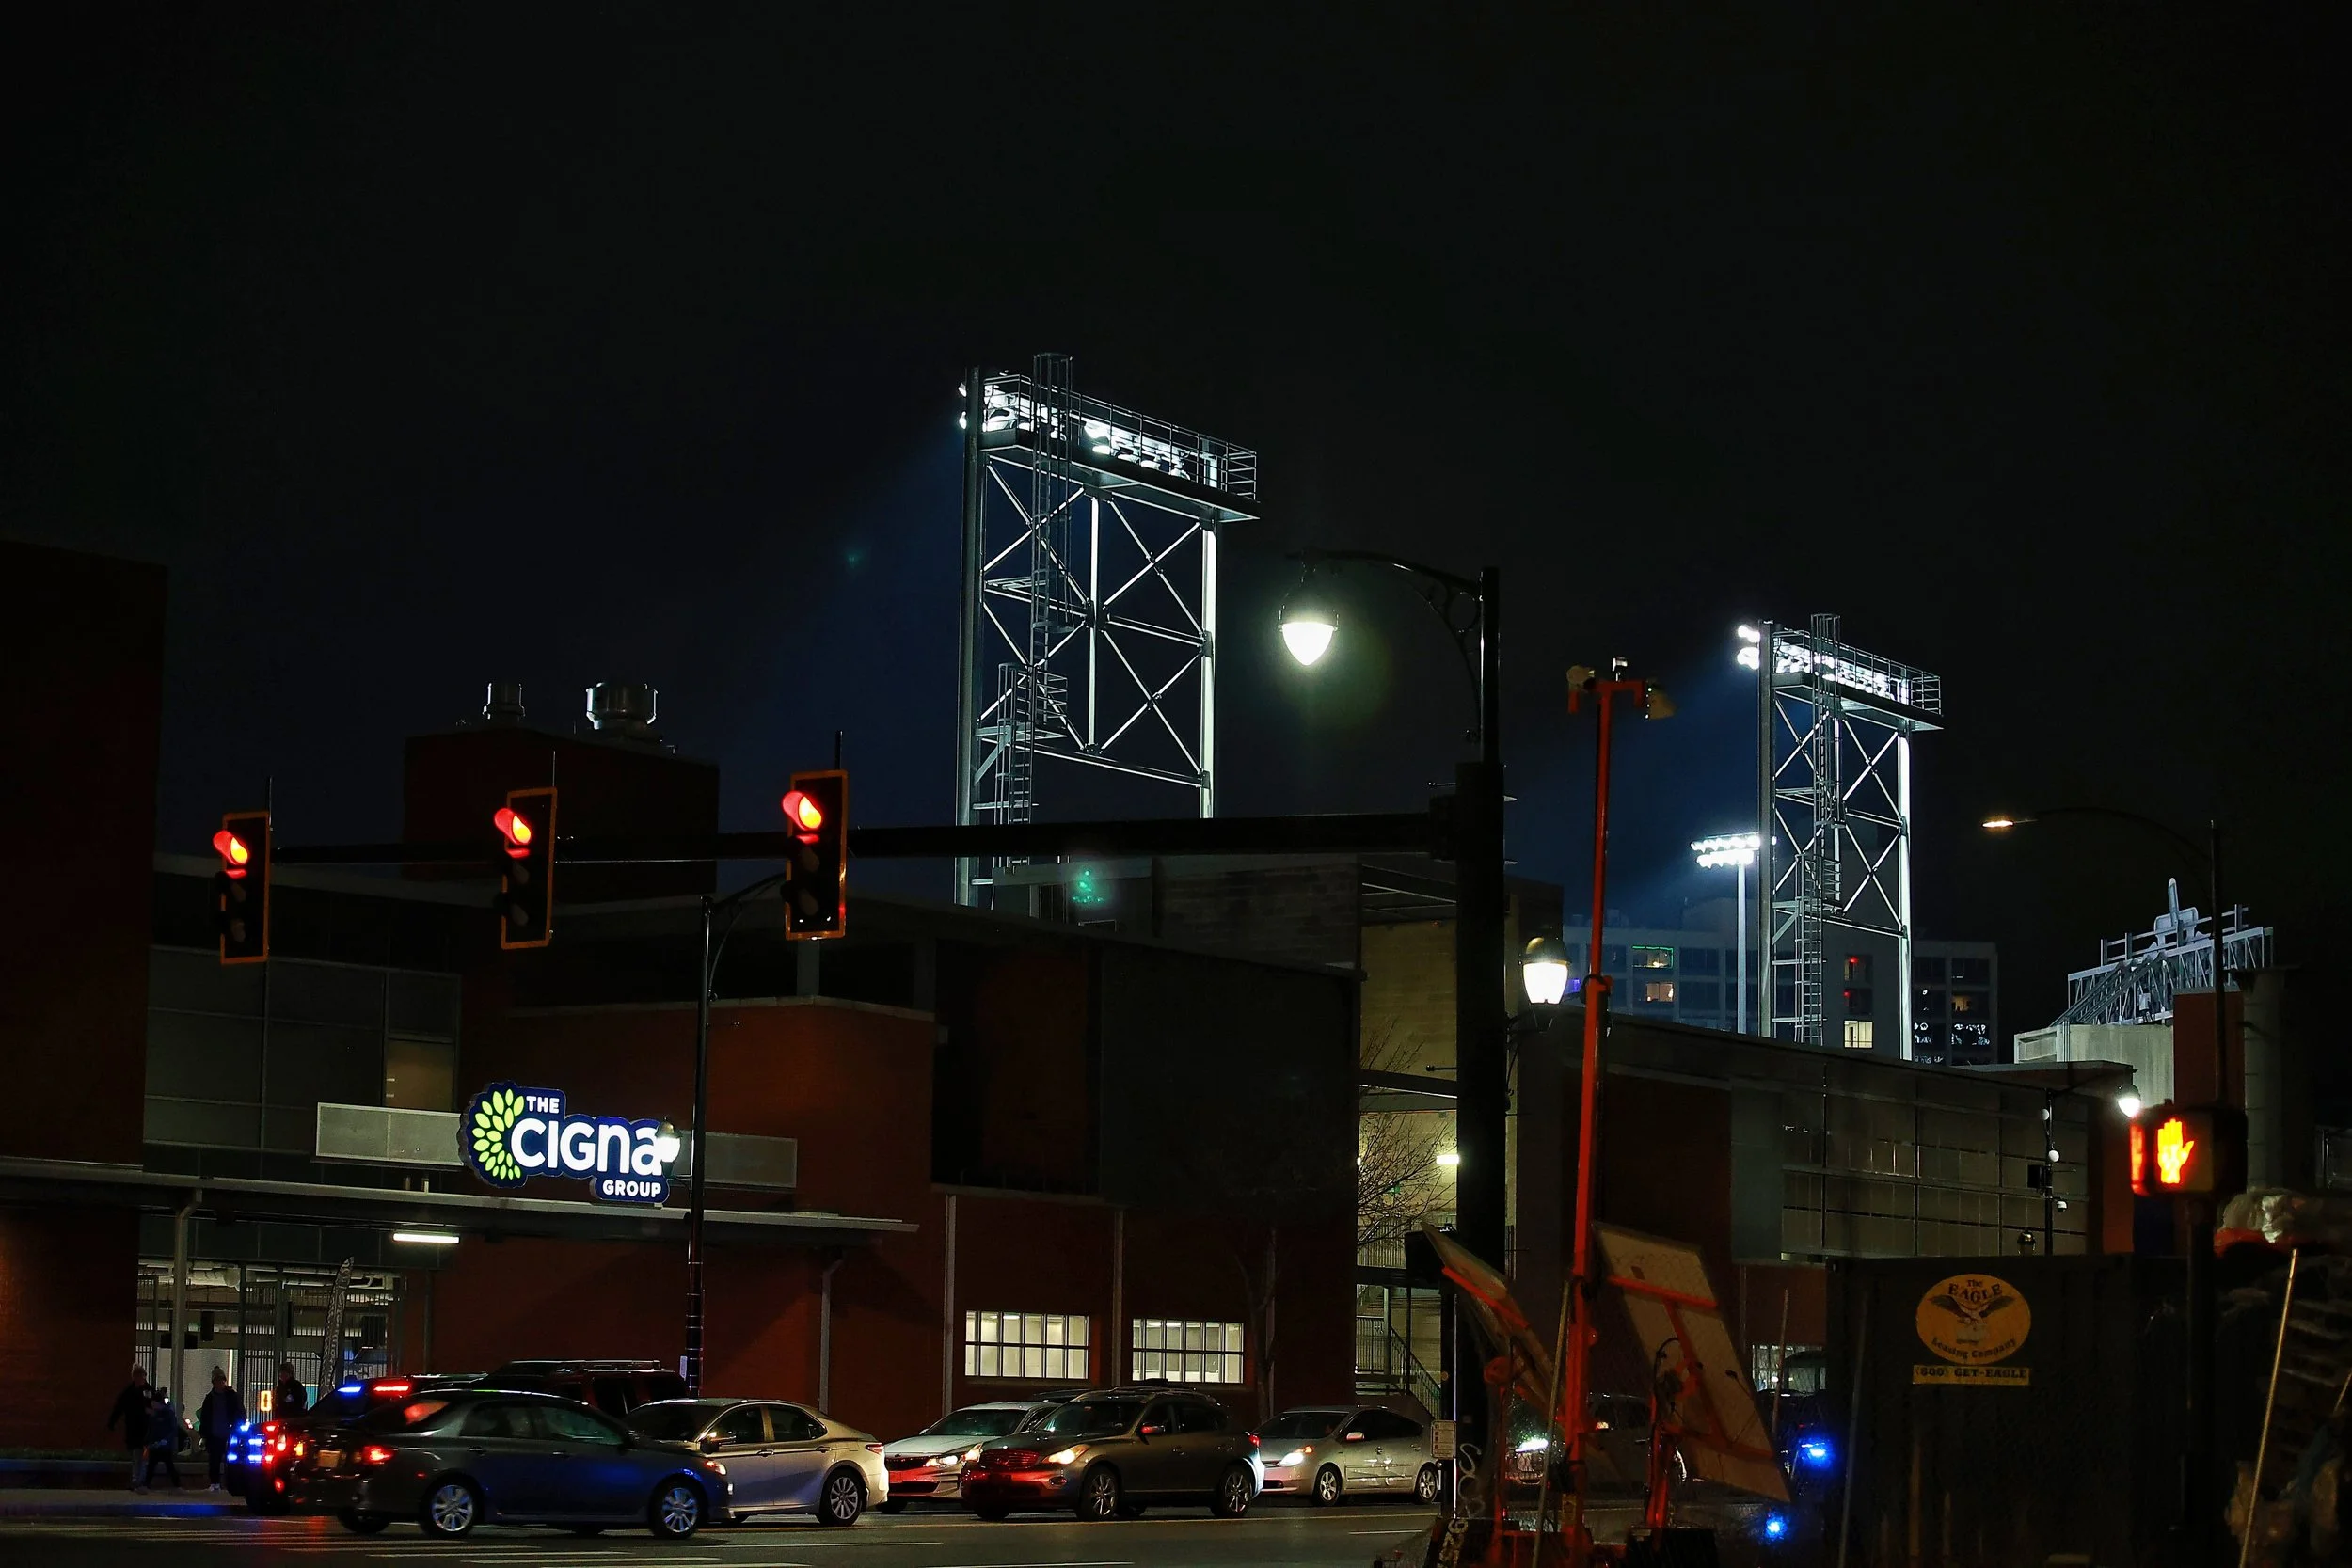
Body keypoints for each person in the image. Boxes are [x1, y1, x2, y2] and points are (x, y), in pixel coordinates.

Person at [197, 1368, 245, 1492]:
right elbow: (205, 1418)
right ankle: (215, 1482)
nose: (219, 1384)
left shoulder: (229, 1397)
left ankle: (229, 1483)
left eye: (221, 1381)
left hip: (228, 1433)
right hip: (216, 1434)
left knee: (229, 1460)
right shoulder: (212, 1398)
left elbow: (240, 1413)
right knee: (215, 1460)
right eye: (217, 1381)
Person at [105, 1365, 151, 1492]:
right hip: (134, 1429)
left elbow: (154, 1404)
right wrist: (112, 1423)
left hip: (145, 1429)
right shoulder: (130, 1393)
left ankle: (138, 1480)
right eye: (141, 1376)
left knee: (141, 1456)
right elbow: (119, 1408)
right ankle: (137, 1480)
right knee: (138, 1455)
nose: (143, 1378)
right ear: (135, 1377)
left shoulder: (146, 1390)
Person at [145, 1385, 186, 1489]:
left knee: (168, 1465)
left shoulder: (167, 1414)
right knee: (152, 1465)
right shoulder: (156, 1415)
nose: (152, 1405)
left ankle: (176, 1485)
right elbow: (151, 1430)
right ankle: (146, 1484)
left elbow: (172, 1430)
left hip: (164, 1445)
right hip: (156, 1444)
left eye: (154, 1403)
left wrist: (165, 1441)